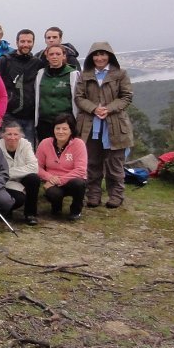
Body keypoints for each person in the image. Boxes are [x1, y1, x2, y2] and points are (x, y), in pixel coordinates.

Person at [75, 42, 134, 209]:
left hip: (115, 126)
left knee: (115, 163)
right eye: (96, 54)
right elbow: (79, 97)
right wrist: (94, 109)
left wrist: (108, 109)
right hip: (90, 127)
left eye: (103, 54)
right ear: (91, 57)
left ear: (110, 56)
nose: (99, 58)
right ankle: (93, 195)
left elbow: (126, 97)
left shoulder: (120, 74)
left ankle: (116, 195)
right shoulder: (84, 75)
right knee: (92, 163)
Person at [36, 113, 88, 220]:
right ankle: (56, 207)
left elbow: (81, 170)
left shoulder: (79, 144)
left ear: (71, 130)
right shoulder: (45, 143)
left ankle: (76, 210)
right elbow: (36, 166)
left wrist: (60, 180)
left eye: (64, 129)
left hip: (71, 180)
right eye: (57, 128)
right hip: (53, 180)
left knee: (79, 183)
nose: (60, 132)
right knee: (53, 193)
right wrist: (49, 177)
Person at [0, 28, 42, 142]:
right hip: (9, 115)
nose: (26, 44)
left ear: (33, 43)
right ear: (17, 43)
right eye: (22, 41)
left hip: (30, 117)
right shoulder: (5, 61)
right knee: (8, 151)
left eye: (29, 41)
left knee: (28, 152)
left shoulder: (37, 63)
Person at [0, 121, 40, 225]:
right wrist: (14, 174)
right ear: (3, 135)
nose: (12, 137)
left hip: (20, 178)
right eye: (9, 134)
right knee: (18, 199)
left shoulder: (26, 144)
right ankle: (6, 210)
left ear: (21, 135)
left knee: (34, 179)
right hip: (5, 183)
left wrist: (9, 172)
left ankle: (30, 214)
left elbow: (34, 167)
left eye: (16, 134)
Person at [34, 44, 78, 142]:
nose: (54, 57)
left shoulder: (72, 74)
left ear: (64, 56)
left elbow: (77, 98)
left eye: (58, 54)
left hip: (65, 123)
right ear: (47, 57)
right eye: (51, 54)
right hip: (44, 123)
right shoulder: (41, 74)